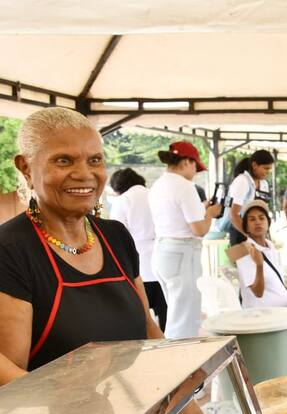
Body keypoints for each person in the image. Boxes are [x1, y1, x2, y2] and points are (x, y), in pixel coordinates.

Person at [0, 107, 165, 383]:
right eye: (64, 161)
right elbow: (8, 377)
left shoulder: (116, 236)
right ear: (26, 168)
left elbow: (148, 328)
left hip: (132, 413)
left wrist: (181, 391)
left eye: (95, 160)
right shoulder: (10, 250)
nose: (84, 174)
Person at [149, 141, 221, 339]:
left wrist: (203, 209)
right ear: (187, 162)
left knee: (176, 312)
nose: (195, 172)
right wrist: (210, 213)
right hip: (183, 252)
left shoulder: (159, 184)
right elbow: (199, 229)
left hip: (163, 250)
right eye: (195, 166)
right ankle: (180, 362)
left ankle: (175, 359)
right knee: (184, 319)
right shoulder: (185, 186)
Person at [109, 168, 166, 331]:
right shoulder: (154, 194)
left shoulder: (123, 200)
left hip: (137, 264)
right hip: (161, 258)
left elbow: (117, 233)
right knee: (165, 311)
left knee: (142, 316)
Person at [235, 200, 287, 309]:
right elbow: (258, 292)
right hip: (260, 318)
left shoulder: (271, 246)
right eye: (252, 219)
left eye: (261, 218)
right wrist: (259, 265)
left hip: (280, 314)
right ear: (246, 227)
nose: (258, 222)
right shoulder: (241, 250)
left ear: (268, 223)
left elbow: (273, 282)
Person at [227, 150, 274, 246]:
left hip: (259, 233)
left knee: (261, 261)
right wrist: (249, 236)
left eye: (269, 169)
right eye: (265, 168)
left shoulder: (264, 183)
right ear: (254, 165)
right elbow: (233, 214)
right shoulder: (242, 181)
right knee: (243, 261)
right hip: (240, 231)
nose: (267, 172)